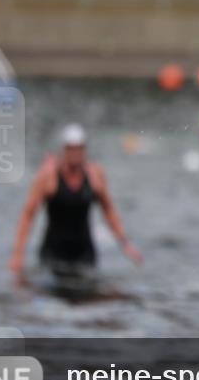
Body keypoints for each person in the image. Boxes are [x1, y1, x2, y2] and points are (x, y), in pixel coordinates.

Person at [9, 123, 142, 299]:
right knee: (50, 300)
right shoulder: (48, 176)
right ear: (63, 150)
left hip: (84, 252)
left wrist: (125, 243)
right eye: (71, 149)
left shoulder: (95, 175)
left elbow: (108, 209)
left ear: (84, 150)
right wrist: (18, 254)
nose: (75, 154)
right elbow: (28, 214)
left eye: (79, 149)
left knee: (89, 298)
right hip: (54, 252)